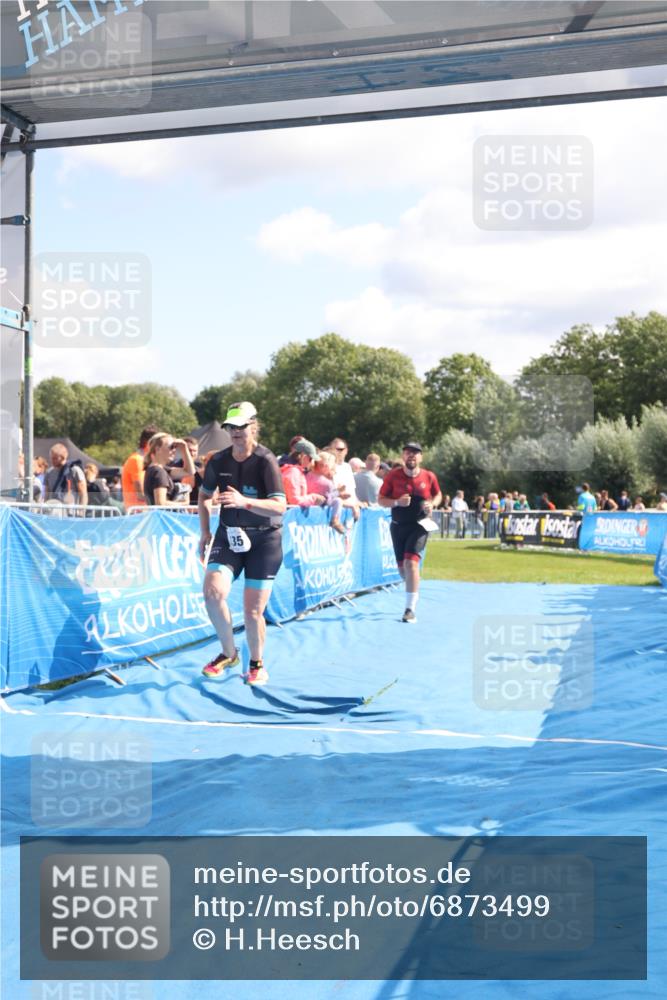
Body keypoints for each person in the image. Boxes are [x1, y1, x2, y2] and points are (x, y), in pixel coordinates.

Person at [198, 401, 286, 686]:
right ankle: (229, 652)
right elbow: (204, 495)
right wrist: (205, 533)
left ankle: (257, 664)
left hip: (265, 539)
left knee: (251, 611)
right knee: (212, 592)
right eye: (231, 427)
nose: (236, 432)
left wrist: (244, 501)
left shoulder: (266, 460)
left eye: (242, 426)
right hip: (229, 533)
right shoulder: (219, 461)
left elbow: (280, 506)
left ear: (253, 427)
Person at [378, 442, 442, 623]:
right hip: (398, 525)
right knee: (402, 570)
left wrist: (433, 503)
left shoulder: (429, 476)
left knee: (410, 563)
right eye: (408, 453)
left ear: (421, 457)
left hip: (420, 525)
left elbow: (438, 494)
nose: (411, 456)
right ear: (403, 457)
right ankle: (413, 585)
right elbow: (381, 500)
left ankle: (409, 609)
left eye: (415, 453)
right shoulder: (392, 476)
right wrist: (397, 502)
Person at [143, 433, 195, 506]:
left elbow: (189, 471)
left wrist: (184, 449)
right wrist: (183, 504)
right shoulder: (159, 472)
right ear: (158, 449)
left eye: (175, 447)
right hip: (162, 516)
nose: (174, 450)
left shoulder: (155, 469)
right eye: (171, 447)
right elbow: (160, 503)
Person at [306, 450, 345, 533]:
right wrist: (338, 492)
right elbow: (328, 499)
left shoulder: (307, 475)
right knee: (338, 501)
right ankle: (335, 520)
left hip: (306, 505)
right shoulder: (326, 483)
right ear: (326, 466)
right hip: (315, 508)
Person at [280, 439, 327, 507]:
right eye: (311, 458)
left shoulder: (297, 471)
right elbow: (294, 501)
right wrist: (314, 498)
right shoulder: (293, 472)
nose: (312, 462)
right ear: (303, 456)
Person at [121, 425, 158, 508]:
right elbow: (141, 494)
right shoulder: (137, 460)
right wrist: (163, 500)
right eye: (158, 443)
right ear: (149, 442)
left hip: (145, 512)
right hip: (138, 514)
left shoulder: (144, 460)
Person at [44, 443, 88, 509]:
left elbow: (83, 493)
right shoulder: (49, 472)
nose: (52, 461)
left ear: (63, 457)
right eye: (51, 458)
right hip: (54, 510)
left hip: (72, 512)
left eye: (55, 458)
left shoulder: (74, 470)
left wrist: (81, 511)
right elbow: (47, 494)